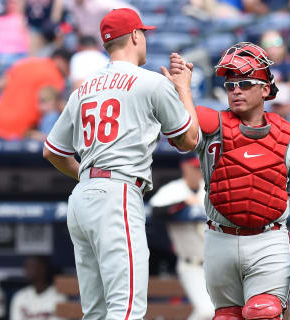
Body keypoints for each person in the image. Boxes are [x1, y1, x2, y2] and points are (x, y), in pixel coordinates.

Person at [42, 8, 199, 319]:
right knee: (125, 310)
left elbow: (53, 152)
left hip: (83, 196)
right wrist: (184, 89)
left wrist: (89, 180)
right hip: (117, 194)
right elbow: (189, 140)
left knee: (96, 313)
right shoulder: (150, 82)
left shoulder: (83, 89)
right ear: (135, 36)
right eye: (144, 34)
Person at [168, 42, 290, 320]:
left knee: (263, 313)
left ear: (265, 89)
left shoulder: (288, 135)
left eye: (245, 83)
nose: (236, 91)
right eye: (230, 86)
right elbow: (183, 137)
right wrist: (182, 87)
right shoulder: (212, 123)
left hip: (268, 240)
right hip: (220, 238)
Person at [149, 153, 215, 320]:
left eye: (201, 167)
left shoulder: (209, 189)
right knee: (206, 311)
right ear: (184, 167)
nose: (198, 171)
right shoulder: (173, 190)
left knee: (219, 313)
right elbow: (155, 211)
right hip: (191, 264)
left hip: (215, 265)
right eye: (194, 167)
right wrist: (183, 204)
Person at [0, 48, 70, 140]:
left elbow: (0, 84)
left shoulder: (26, 63)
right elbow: (54, 105)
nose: (68, 72)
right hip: (22, 132)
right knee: (53, 116)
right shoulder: (54, 74)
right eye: (68, 66)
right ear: (60, 61)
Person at [9, 256, 65, 320]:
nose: (27, 270)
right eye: (26, 266)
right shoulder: (20, 296)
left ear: (43, 269)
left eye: (31, 266)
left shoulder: (59, 297)